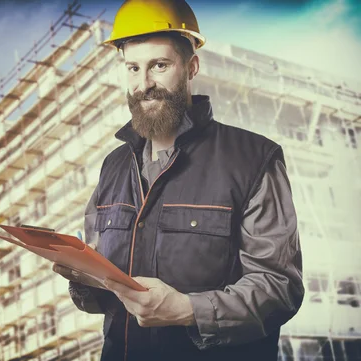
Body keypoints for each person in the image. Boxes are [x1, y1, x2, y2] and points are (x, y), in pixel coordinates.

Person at [52, 0, 305, 360]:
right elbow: (105, 297)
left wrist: (187, 309)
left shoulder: (253, 158)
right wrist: (83, 277)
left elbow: (279, 288)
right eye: (133, 68)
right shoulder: (114, 167)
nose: (144, 84)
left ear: (191, 67)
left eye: (160, 65)